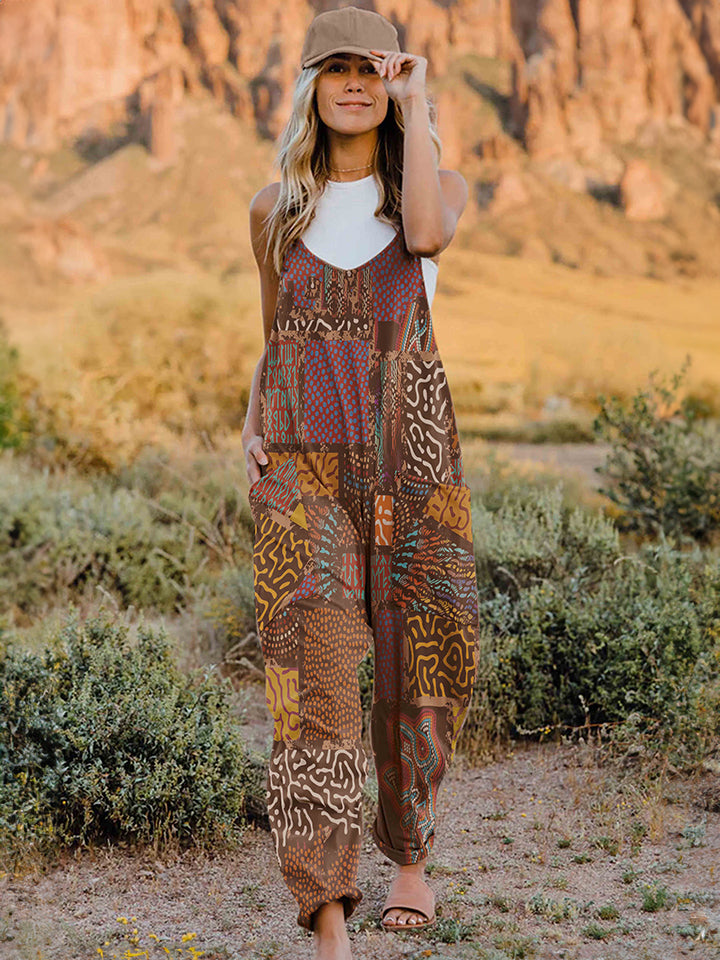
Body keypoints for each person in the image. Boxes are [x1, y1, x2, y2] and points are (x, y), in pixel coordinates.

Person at [242, 7, 480, 959]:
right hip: (303, 466)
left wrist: (418, 103)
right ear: (309, 86)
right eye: (333, 68)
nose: (353, 83)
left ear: (392, 80)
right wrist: (250, 419)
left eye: (369, 69)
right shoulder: (274, 208)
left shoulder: (435, 185)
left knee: (425, 657)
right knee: (316, 680)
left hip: (412, 453)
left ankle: (410, 856)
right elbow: (273, 336)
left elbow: (424, 237)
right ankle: (328, 914)